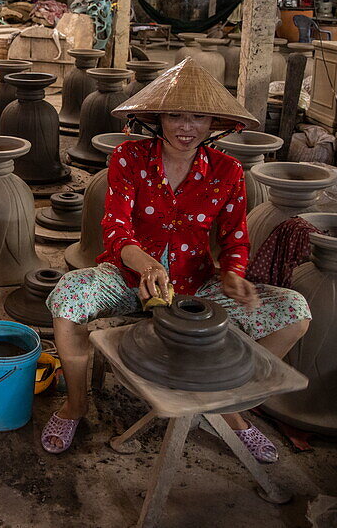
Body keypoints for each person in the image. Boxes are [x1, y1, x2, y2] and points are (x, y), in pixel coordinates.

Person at [41, 58, 311, 463]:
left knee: (296, 311)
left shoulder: (228, 171)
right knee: (68, 299)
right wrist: (147, 265)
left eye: (198, 117)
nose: (186, 127)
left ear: (213, 122)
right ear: (158, 118)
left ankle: (233, 410)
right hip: (127, 278)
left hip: (196, 287)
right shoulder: (129, 158)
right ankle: (75, 406)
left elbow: (236, 240)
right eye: (175, 115)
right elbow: (116, 231)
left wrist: (235, 275)